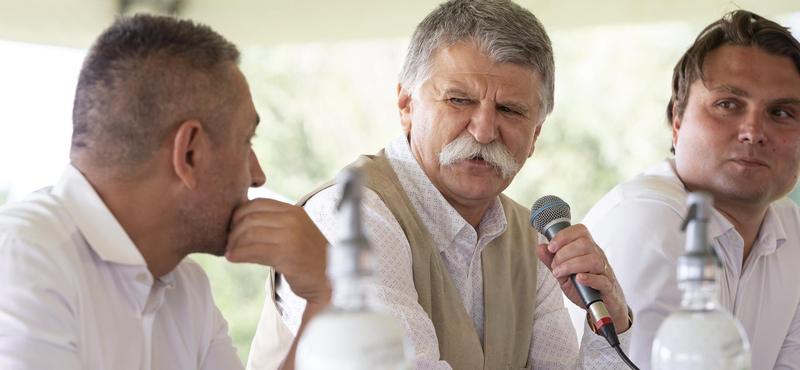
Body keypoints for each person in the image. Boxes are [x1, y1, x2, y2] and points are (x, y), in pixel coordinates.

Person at [249, 1, 635, 369]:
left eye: (510, 110)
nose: (484, 131)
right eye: (459, 100)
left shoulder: (531, 241)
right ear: (406, 106)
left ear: (535, 136)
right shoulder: (350, 220)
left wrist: (610, 325)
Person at [0, 14, 330, 370]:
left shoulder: (188, 288)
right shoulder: (22, 262)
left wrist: (326, 295)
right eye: (245, 141)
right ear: (189, 153)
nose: (258, 175)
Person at [581, 10, 800, 370]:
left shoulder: (791, 229)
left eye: (781, 113)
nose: (753, 131)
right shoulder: (649, 220)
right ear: (677, 122)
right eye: (728, 105)